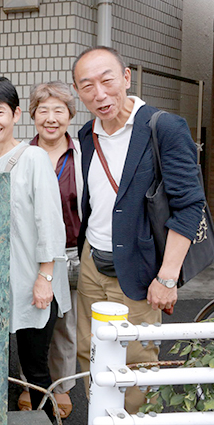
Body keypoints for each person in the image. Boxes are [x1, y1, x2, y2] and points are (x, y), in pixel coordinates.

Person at [73, 46, 205, 412]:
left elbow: (190, 204)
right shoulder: (87, 134)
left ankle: (130, 419)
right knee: (89, 349)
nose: (99, 94)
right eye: (87, 86)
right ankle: (103, 415)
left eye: (107, 80)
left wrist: (166, 277)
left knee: (132, 359)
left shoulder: (164, 126)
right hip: (91, 262)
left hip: (139, 266)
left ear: (126, 77)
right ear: (78, 91)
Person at [0, 77, 70, 421]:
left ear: (16, 114)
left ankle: (51, 420)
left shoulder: (34, 158)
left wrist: (45, 277)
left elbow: (51, 223)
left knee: (35, 370)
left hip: (32, 282)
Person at [15, 81, 82, 419]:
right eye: (44, 110)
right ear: (32, 115)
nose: (51, 117)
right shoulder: (23, 155)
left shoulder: (83, 154)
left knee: (65, 326)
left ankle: (63, 387)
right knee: (34, 321)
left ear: (70, 115)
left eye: (59, 110)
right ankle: (31, 385)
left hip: (73, 251)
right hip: (34, 255)